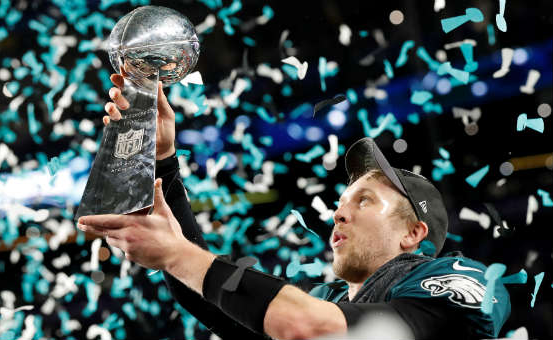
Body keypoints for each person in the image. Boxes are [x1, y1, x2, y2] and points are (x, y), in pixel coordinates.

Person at [77, 74, 511, 339]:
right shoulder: (326, 298)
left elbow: (310, 329)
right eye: (341, 203)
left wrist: (175, 252)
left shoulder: (460, 281)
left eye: (364, 201)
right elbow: (216, 301)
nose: (338, 214)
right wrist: (165, 162)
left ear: (413, 232)